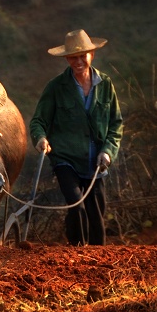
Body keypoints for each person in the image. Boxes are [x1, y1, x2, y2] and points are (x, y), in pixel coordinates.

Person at [29, 29, 123, 246]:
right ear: (66, 59)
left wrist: (108, 151)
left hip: (96, 161)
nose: (78, 61)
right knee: (76, 205)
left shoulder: (105, 84)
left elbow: (116, 124)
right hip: (65, 158)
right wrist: (40, 138)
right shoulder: (56, 87)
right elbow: (38, 121)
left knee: (97, 216)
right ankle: (75, 255)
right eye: (73, 57)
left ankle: (98, 260)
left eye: (82, 56)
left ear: (92, 55)